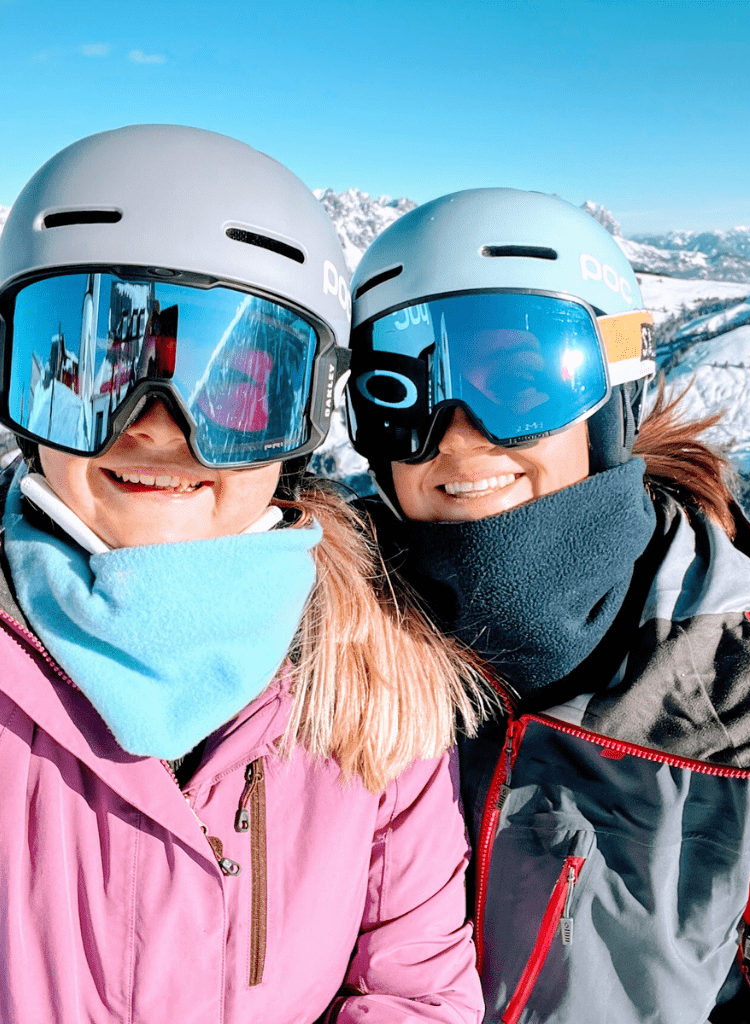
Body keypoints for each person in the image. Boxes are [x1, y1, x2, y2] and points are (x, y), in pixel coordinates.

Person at [344, 188, 750, 1024]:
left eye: (520, 382)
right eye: (400, 393)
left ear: (613, 398)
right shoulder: (329, 642)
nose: (454, 434)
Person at [0, 126, 491, 1023]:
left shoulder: (374, 685)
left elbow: (416, 992)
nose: (158, 428)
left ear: (302, 422)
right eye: (94, 374)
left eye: (232, 392)